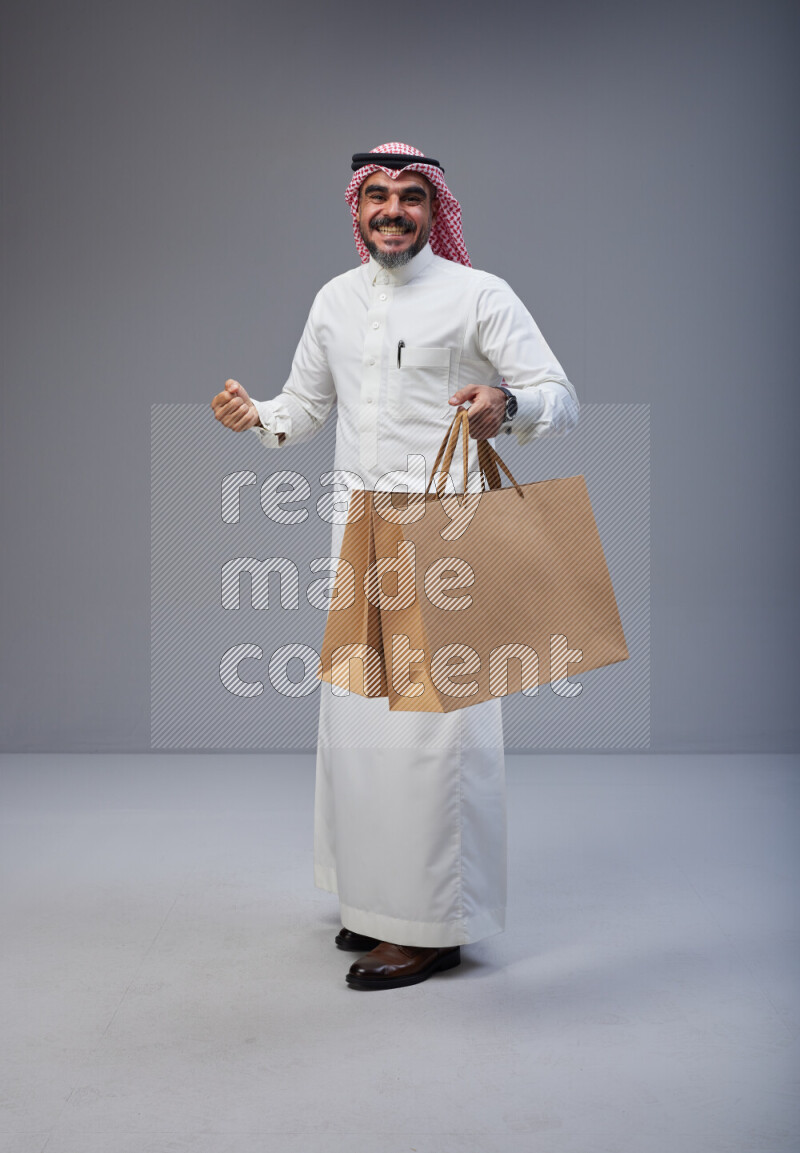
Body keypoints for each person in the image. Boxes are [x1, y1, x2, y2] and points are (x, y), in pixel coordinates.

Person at [210, 142, 579, 990]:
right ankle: (376, 904)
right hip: (358, 533)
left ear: (432, 206)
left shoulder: (478, 294)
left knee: (433, 738)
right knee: (358, 728)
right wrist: (252, 416)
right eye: (377, 195)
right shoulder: (335, 301)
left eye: (412, 196)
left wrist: (505, 403)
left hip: (447, 534)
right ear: (357, 206)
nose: (393, 210)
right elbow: (300, 409)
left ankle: (433, 927)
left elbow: (557, 393)